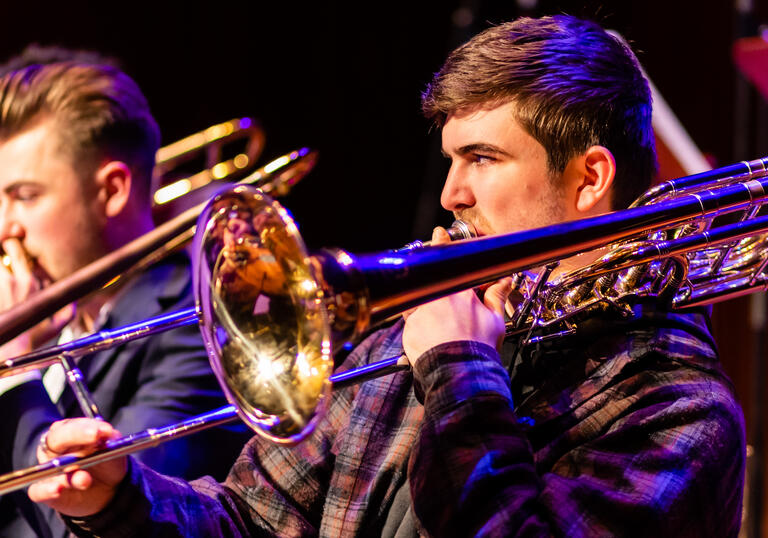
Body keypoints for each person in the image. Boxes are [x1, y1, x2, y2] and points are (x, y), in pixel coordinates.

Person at [27, 15, 746, 537]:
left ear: (590, 177)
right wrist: (121, 500)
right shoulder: (403, 342)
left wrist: (459, 369)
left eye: (484, 159)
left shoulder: (679, 411)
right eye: (451, 159)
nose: (450, 196)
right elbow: (251, 520)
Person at [0, 52, 250, 537]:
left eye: (25, 196)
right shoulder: (55, 318)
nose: (3, 226)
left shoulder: (200, 328)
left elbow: (101, 519)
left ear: (113, 190)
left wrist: (15, 370)